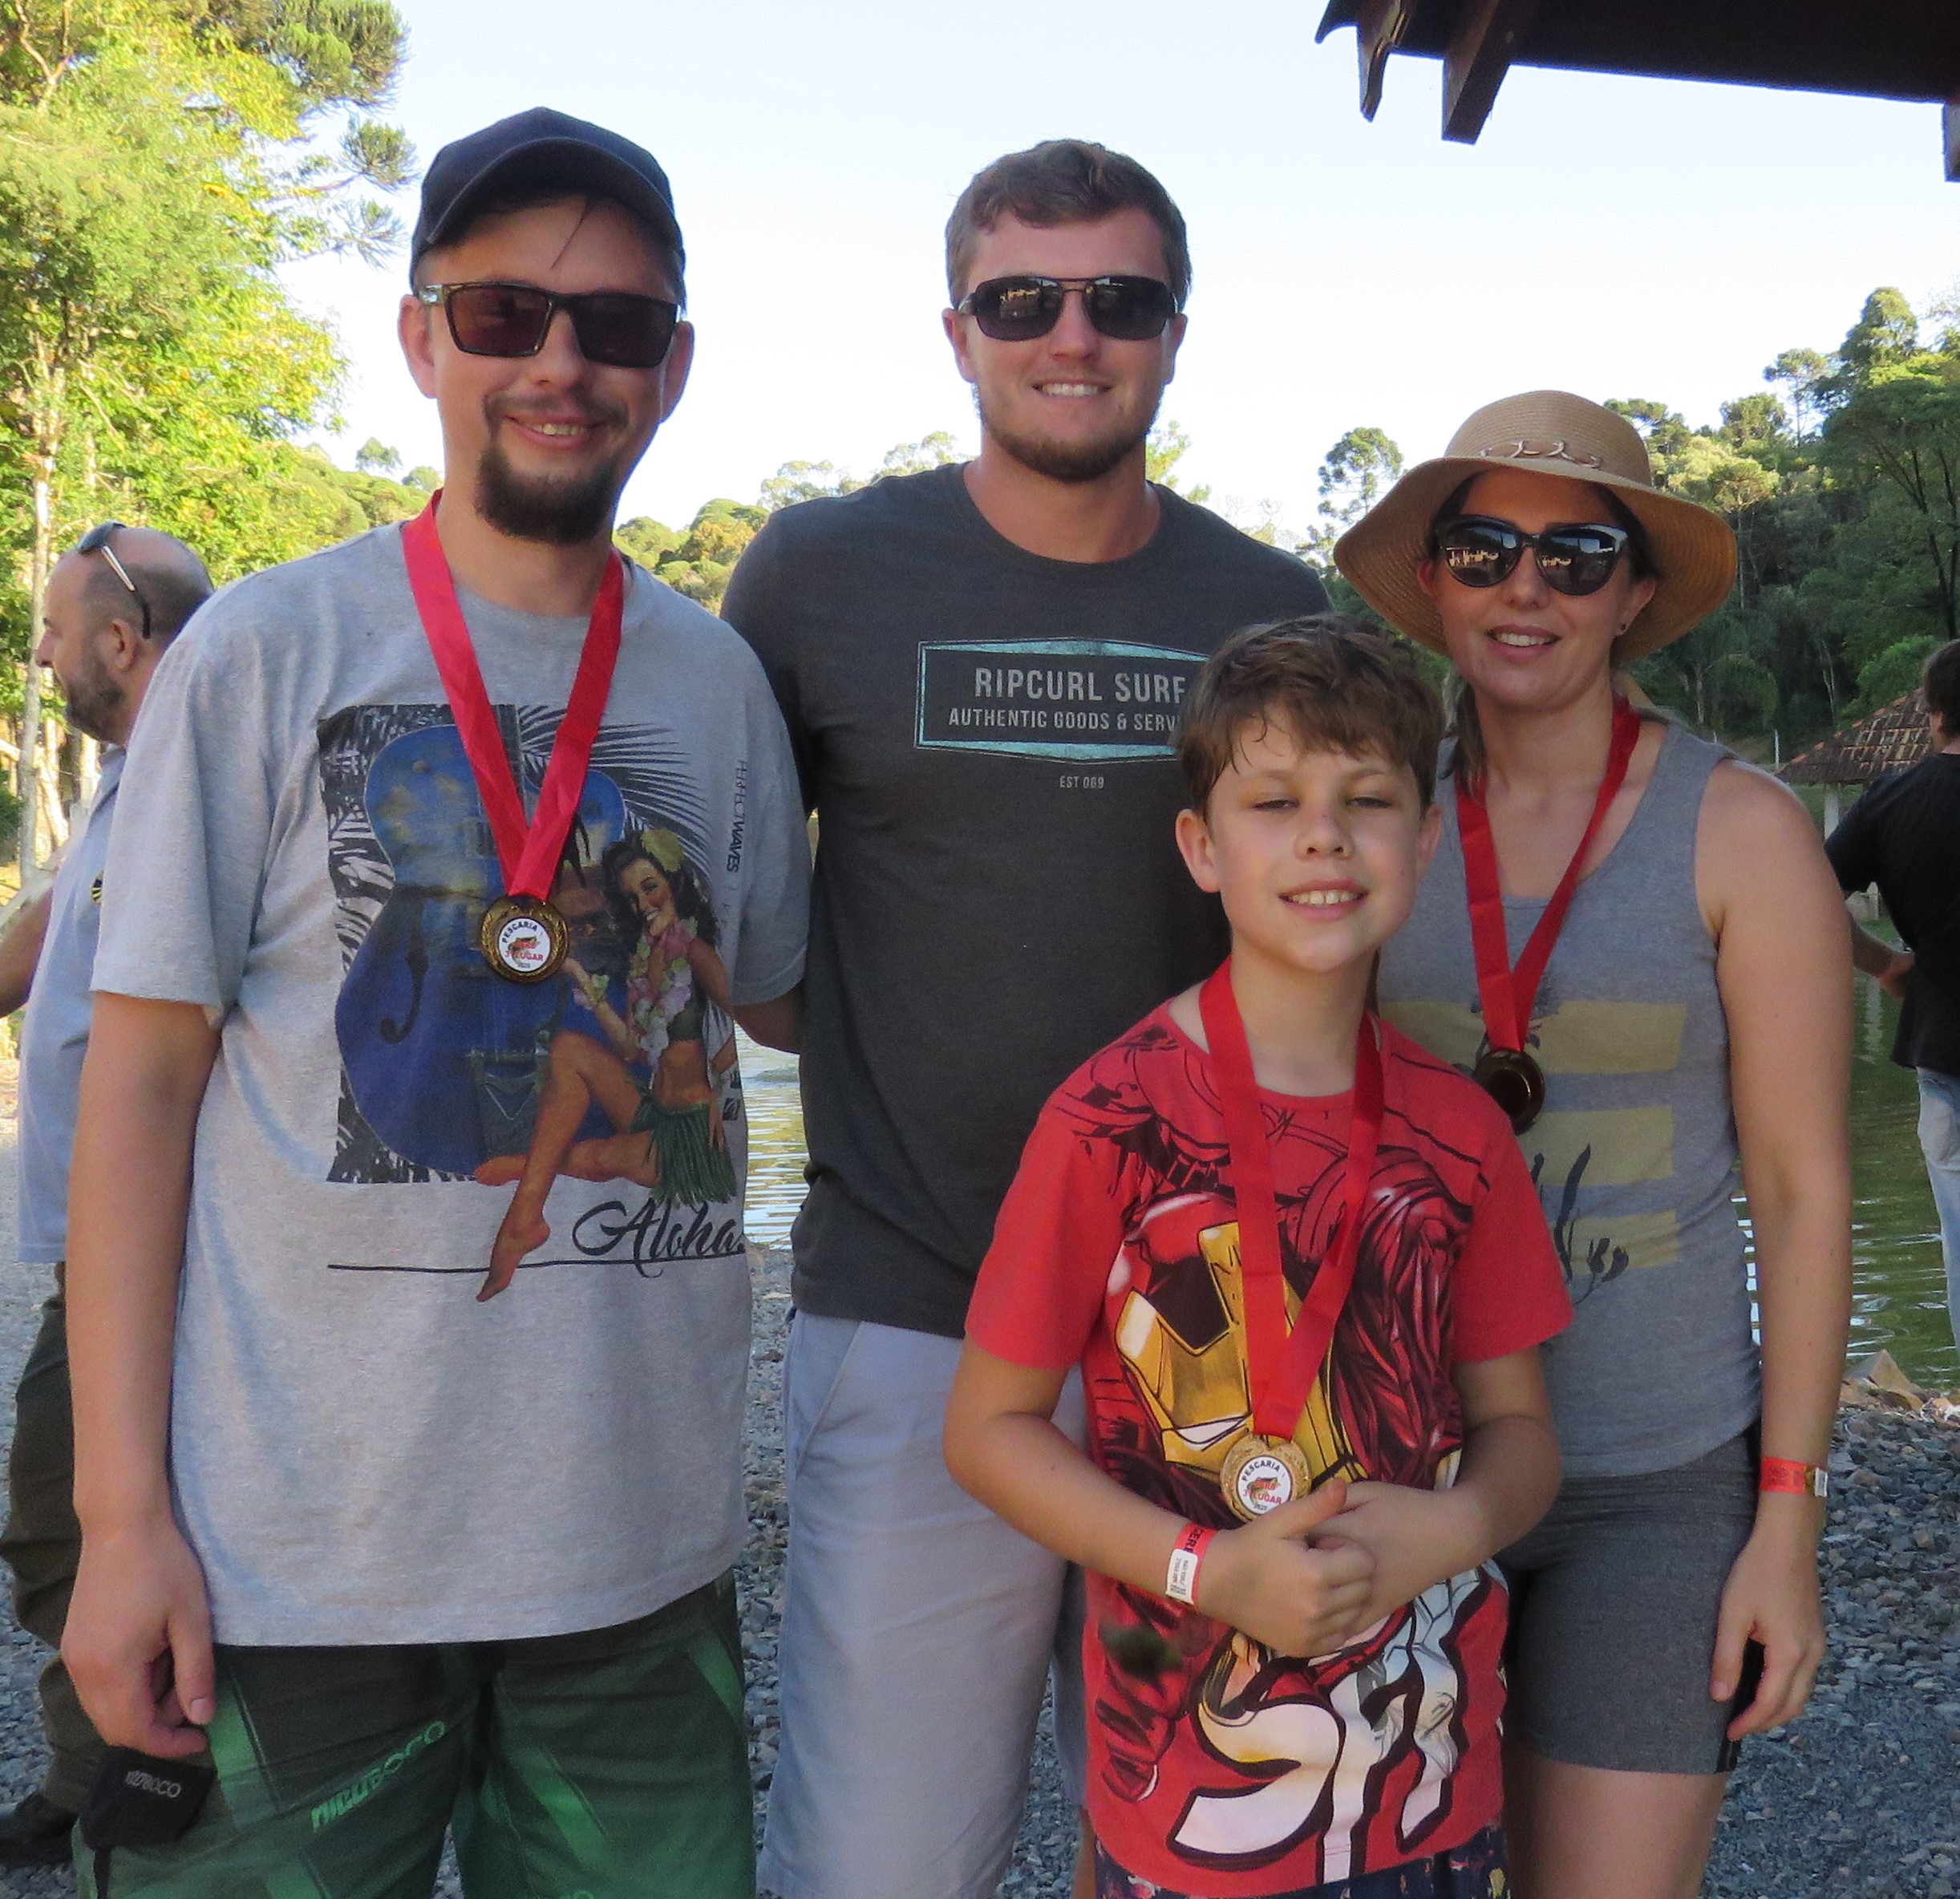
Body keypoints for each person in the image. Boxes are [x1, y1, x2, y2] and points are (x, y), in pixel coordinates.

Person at [59, 108, 808, 1895]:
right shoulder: (262, 649)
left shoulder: (716, 683)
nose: (559, 362)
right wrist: (116, 1516)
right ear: (420, 337)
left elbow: (778, 1008)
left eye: (614, 323)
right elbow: (136, 1089)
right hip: (288, 1564)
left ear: (672, 365)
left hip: (633, 1564)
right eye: (501, 314)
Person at [723, 138, 1331, 1899]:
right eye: (1022, 299)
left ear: (1174, 330)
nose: (1072, 334)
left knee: (1216, 1850)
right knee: (880, 1861)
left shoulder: (1267, 603)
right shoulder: (817, 574)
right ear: (958, 331)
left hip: (1216, 1321)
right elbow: (742, 914)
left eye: (1118, 298)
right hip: (916, 1301)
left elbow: (1330, 924)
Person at [946, 617, 1570, 1899]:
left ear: (1426, 841)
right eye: (1275, 802)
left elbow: (1523, 1437)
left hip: (1432, 1802)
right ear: (1202, 847)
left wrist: (1450, 1529)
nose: (1324, 837)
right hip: (1189, 1816)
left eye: (1368, 800)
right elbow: (987, 1432)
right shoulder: (1104, 1120)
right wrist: (1209, 1569)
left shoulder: (1463, 1134)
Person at [1343, 391, 1852, 1899]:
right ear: (1432, 578)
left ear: (1633, 594)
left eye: (1576, 557)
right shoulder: (1365, 823)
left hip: (1657, 1473)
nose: (1527, 588)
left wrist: (1787, 1514)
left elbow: (1800, 1190)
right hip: (1396, 1461)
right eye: (1484, 549)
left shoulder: (1742, 831)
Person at [0, 524, 212, 1865]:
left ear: (122, 644)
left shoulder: (209, 781)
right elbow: (38, 939)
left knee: (59, 1510)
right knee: (72, 1511)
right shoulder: (128, 782)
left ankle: (126, 1785)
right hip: (104, 1247)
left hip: (162, 1250)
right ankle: (106, 1774)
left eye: (55, 633)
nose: (40, 655)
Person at [1826, 638, 1960, 1342]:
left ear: (1935, 716)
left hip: (1945, 1045)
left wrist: (1881, 962)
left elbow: (1807, 898)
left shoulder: (1892, 800)